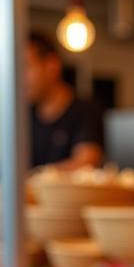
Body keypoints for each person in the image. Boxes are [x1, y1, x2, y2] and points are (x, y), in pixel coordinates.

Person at [27, 32, 105, 170]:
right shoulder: (24, 117)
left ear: (52, 66)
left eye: (26, 66)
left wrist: (32, 176)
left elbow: (86, 163)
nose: (19, 77)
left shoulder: (85, 110)